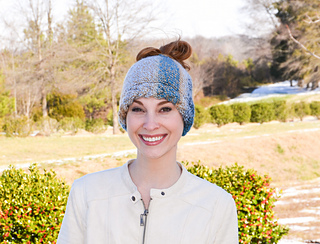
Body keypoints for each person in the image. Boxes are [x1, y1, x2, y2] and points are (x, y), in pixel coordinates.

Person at [57, 40, 238, 244]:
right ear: (125, 116)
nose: (150, 124)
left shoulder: (216, 205)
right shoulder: (86, 194)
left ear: (184, 117)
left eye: (165, 109)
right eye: (138, 109)